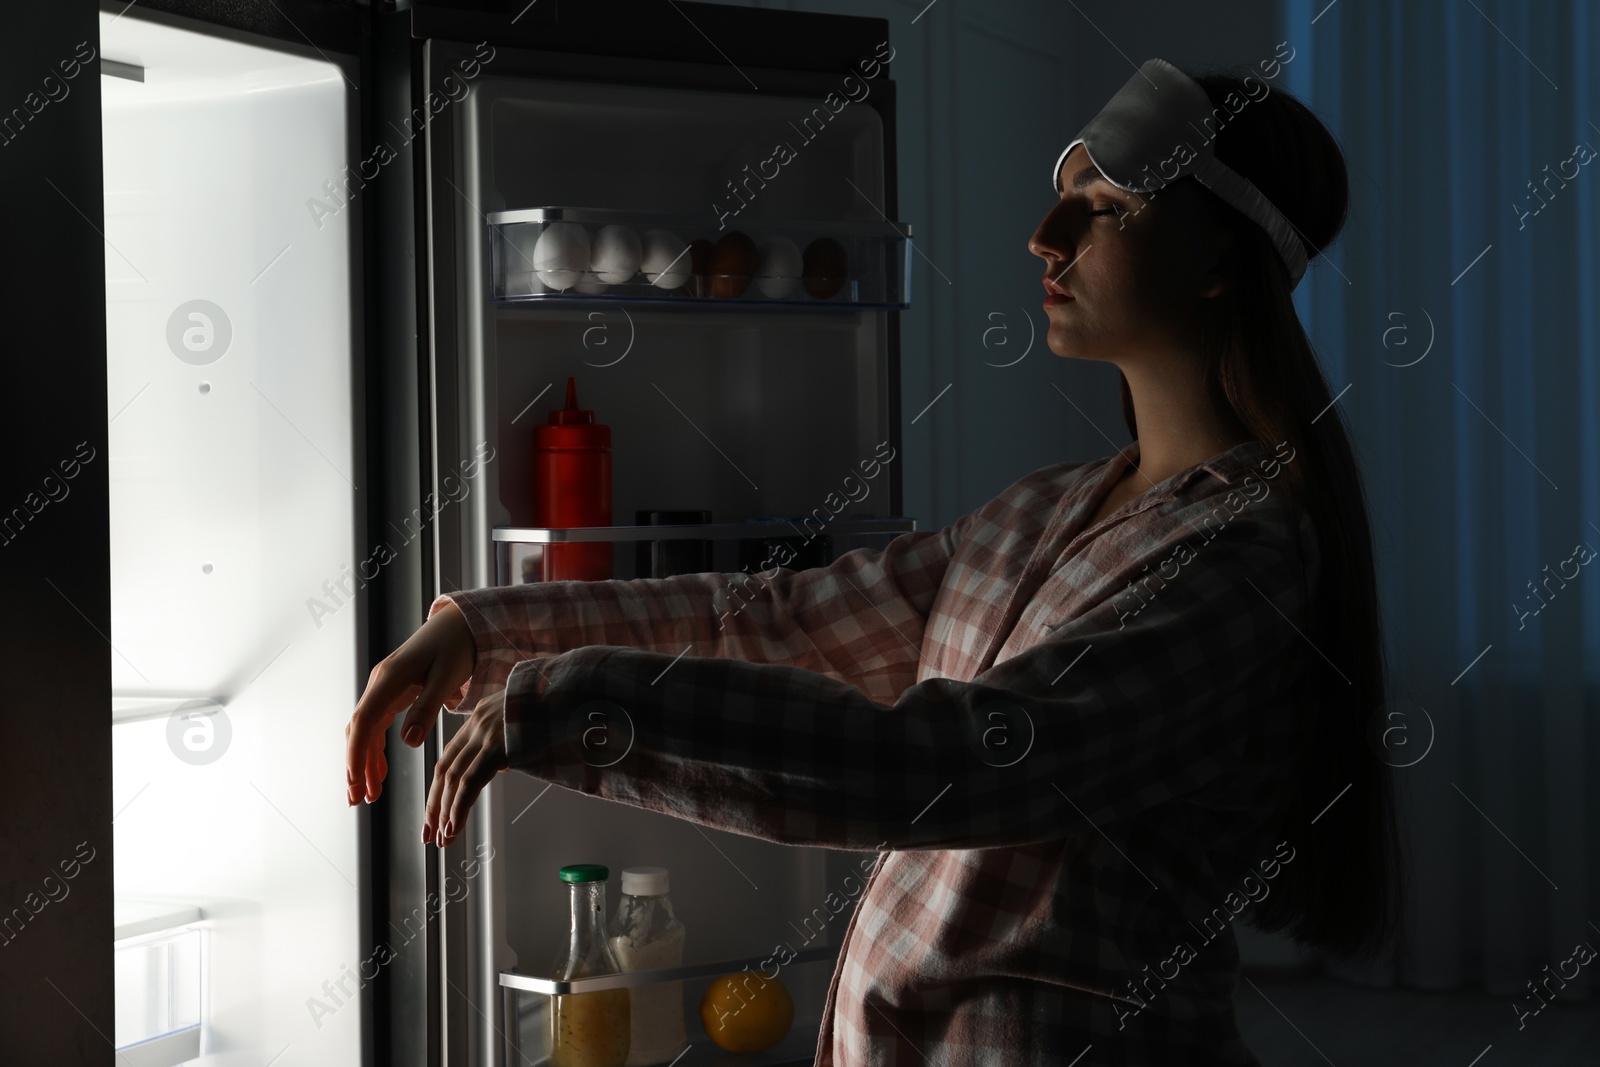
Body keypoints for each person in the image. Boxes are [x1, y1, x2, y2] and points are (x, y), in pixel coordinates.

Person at [345, 58, 1404, 1065]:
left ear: (1221, 263)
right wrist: (489, 630)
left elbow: (945, 768)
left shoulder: (1240, 561)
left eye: (1109, 209)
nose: (1044, 237)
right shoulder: (1044, 508)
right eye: (1063, 200)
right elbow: (779, 617)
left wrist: (581, 697)